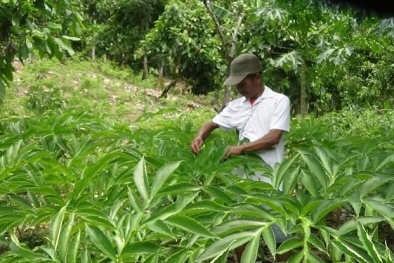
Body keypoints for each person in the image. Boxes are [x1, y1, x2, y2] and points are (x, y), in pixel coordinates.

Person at [190, 53, 291, 262]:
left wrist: (241, 148)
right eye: (236, 84)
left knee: (280, 235)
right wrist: (200, 137)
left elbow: (274, 137)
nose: (239, 89)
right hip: (242, 183)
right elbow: (211, 124)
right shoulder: (237, 105)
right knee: (240, 231)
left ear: (257, 77)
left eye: (242, 83)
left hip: (271, 181)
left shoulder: (278, 101)